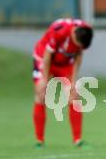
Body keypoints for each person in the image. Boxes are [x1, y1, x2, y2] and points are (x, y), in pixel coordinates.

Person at [32, 18, 93, 149]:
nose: (78, 47)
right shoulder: (59, 31)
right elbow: (48, 55)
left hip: (65, 63)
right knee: (41, 94)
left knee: (74, 95)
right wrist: (44, 78)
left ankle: (78, 140)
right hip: (44, 58)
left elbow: (78, 55)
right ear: (73, 34)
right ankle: (39, 141)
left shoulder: (85, 31)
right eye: (77, 43)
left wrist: (73, 79)